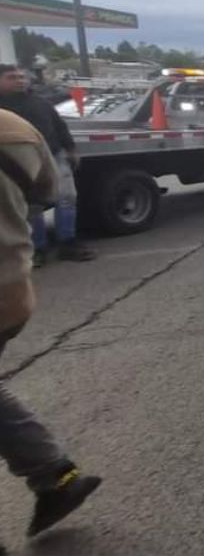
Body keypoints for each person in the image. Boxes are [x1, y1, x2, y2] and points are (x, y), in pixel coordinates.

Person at [0, 108, 103, 540]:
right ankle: (54, 474)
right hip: (11, 287)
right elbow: (47, 189)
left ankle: (53, 474)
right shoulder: (14, 126)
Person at [0, 65, 94, 267]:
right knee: (32, 206)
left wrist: (70, 149)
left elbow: (59, 125)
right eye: (12, 77)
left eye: (22, 77)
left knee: (67, 198)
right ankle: (37, 249)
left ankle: (68, 243)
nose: (20, 80)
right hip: (19, 163)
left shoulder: (40, 102)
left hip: (55, 155)